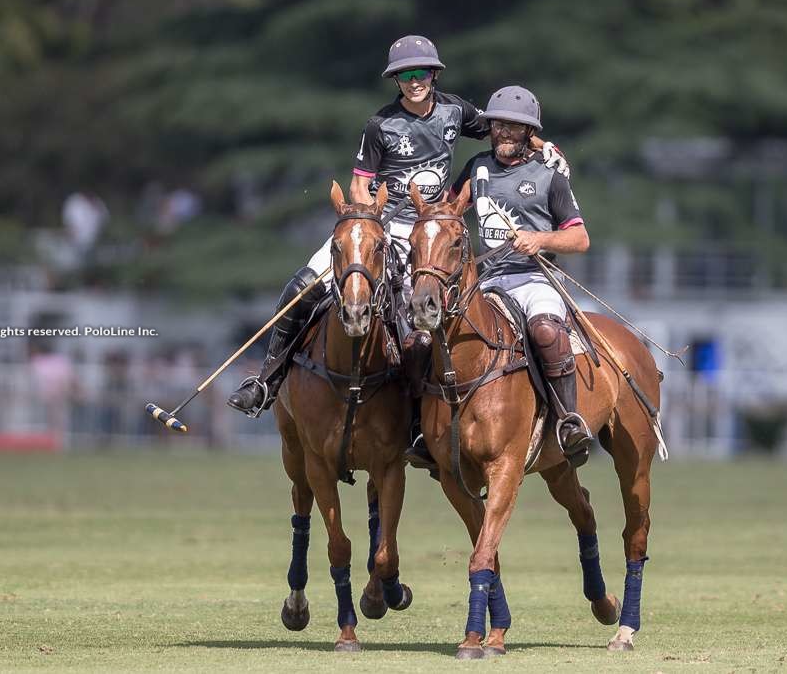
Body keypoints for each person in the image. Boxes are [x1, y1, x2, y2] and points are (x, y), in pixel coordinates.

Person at [227, 37, 569, 466]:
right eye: (404, 76)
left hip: (423, 230)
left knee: (421, 321)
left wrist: (543, 146)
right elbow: (359, 181)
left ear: (434, 75)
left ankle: (414, 421)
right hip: (377, 224)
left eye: (421, 73)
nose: (414, 82)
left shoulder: (455, 111)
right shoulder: (380, 125)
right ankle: (265, 382)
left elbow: (506, 128)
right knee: (303, 285)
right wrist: (365, 216)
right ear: (395, 81)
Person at [449, 85, 593, 465]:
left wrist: (539, 238)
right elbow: (448, 210)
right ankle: (424, 425)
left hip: (534, 279)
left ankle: (568, 420)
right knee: (435, 330)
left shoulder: (550, 175)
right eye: (498, 126)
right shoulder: (478, 167)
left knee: (546, 329)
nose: (504, 134)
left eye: (515, 127)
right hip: (487, 281)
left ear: (530, 132)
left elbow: (579, 238)